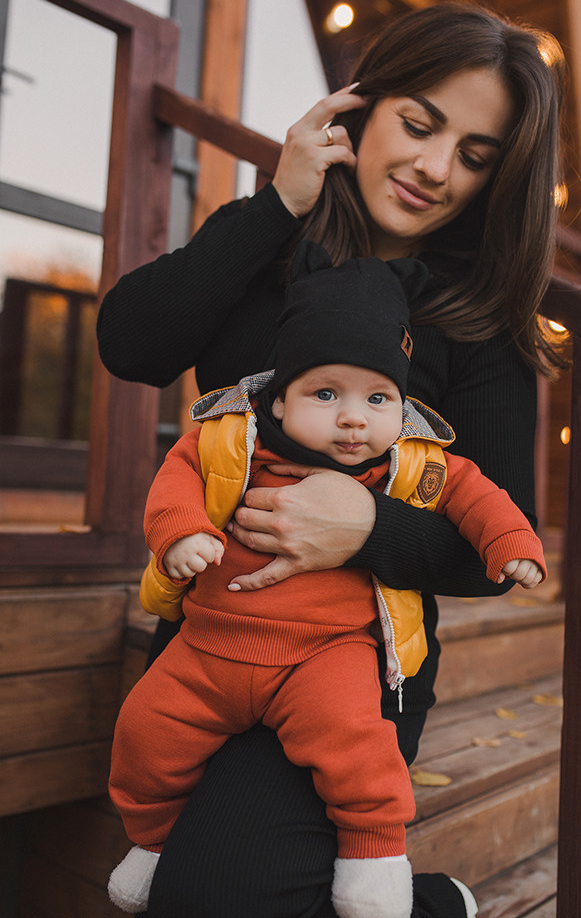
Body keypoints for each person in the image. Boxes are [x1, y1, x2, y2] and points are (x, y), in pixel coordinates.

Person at [97, 1, 565, 918]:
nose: (435, 169)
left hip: (351, 674)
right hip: (205, 640)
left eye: (474, 155)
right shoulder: (270, 243)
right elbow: (131, 345)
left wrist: (369, 527)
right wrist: (277, 205)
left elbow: (492, 548)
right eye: (418, 124)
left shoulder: (478, 326)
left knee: (210, 898)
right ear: (362, 106)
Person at [107, 245, 546, 917]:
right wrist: (183, 534)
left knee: (357, 749)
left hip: (326, 655)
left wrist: (510, 544)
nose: (353, 417)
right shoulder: (231, 439)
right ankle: (152, 846)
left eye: (377, 398)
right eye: (325, 393)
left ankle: (374, 865)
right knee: (142, 732)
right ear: (279, 399)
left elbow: (478, 495)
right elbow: (175, 481)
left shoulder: (409, 462)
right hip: (210, 645)